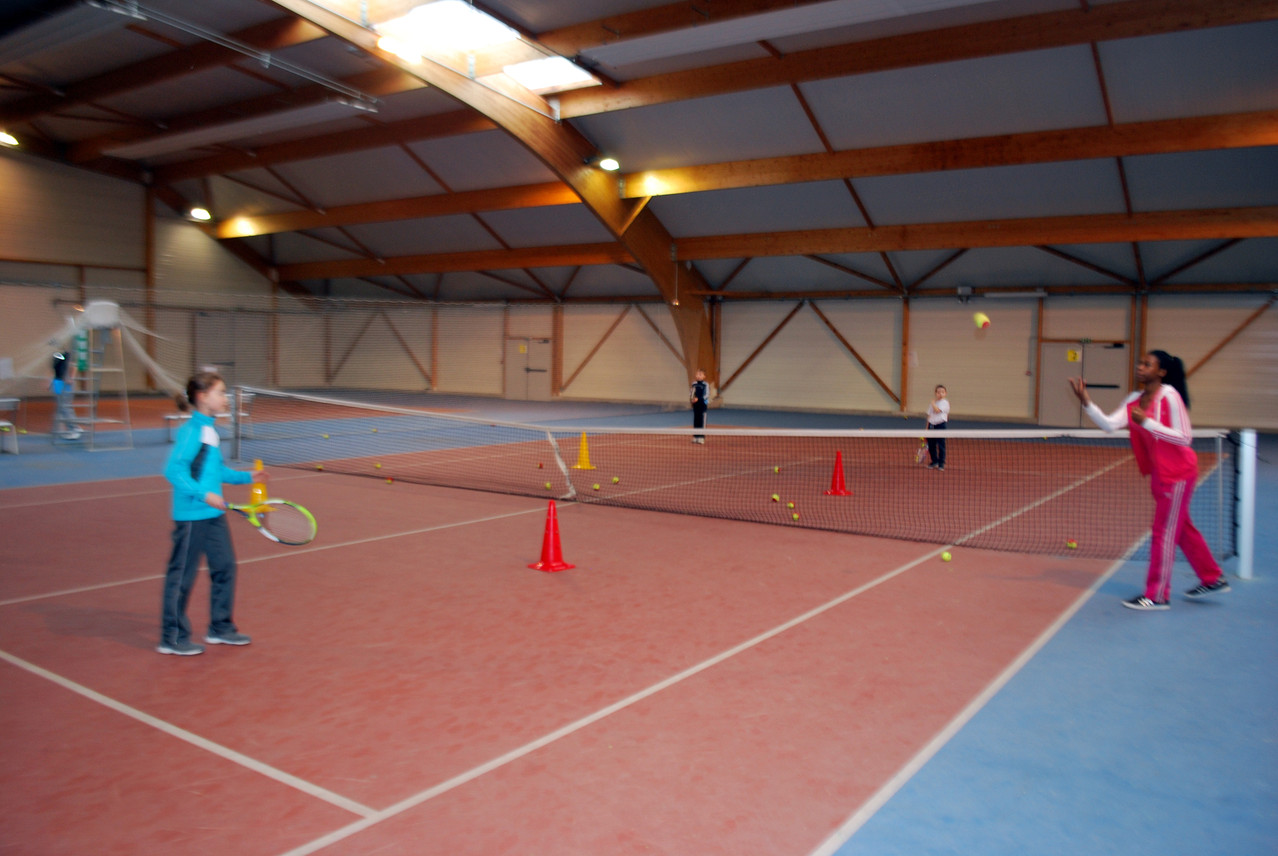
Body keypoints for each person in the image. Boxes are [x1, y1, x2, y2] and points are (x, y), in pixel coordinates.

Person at [1069, 350, 1229, 611]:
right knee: (1182, 529)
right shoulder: (1135, 399)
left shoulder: (1170, 396)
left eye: (1147, 364)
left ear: (1162, 372)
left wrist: (1149, 423)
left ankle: (1157, 595)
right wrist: (1086, 401)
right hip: (1159, 474)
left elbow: (1184, 437)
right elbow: (1110, 425)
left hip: (1178, 473)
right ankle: (1212, 577)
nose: (1140, 367)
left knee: (1164, 532)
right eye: (1140, 362)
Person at [158, 371, 263, 655]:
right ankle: (172, 637)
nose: (225, 398)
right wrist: (204, 495)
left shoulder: (210, 431)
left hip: (212, 514)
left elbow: (215, 471)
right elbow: (173, 471)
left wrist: (247, 477)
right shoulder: (192, 432)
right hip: (192, 516)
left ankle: (220, 628)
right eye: (220, 392)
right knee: (182, 576)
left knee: (225, 566)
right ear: (203, 398)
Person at [50, 350, 81, 440]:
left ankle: (74, 428)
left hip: (64, 384)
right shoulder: (56, 356)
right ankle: (65, 427)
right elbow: (55, 370)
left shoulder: (65, 355)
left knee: (65, 408)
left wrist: (71, 378)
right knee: (62, 408)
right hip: (58, 383)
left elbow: (73, 366)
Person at [925, 384, 949, 470]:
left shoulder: (945, 403)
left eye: (942, 392)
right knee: (931, 445)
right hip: (932, 426)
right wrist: (926, 429)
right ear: (936, 393)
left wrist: (932, 403)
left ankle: (941, 463)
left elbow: (937, 410)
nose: (940, 394)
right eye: (938, 392)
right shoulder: (932, 403)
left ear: (945, 393)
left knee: (941, 445)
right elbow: (929, 416)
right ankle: (934, 461)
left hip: (941, 425)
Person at [689, 369, 710, 444]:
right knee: (696, 421)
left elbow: (707, 395)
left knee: (702, 421)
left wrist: (699, 399)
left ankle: (701, 437)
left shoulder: (705, 385)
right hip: (696, 406)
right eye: (697, 374)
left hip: (702, 406)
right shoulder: (693, 384)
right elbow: (691, 393)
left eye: (700, 374)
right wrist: (692, 399)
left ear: (704, 376)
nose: (698, 376)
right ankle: (696, 437)